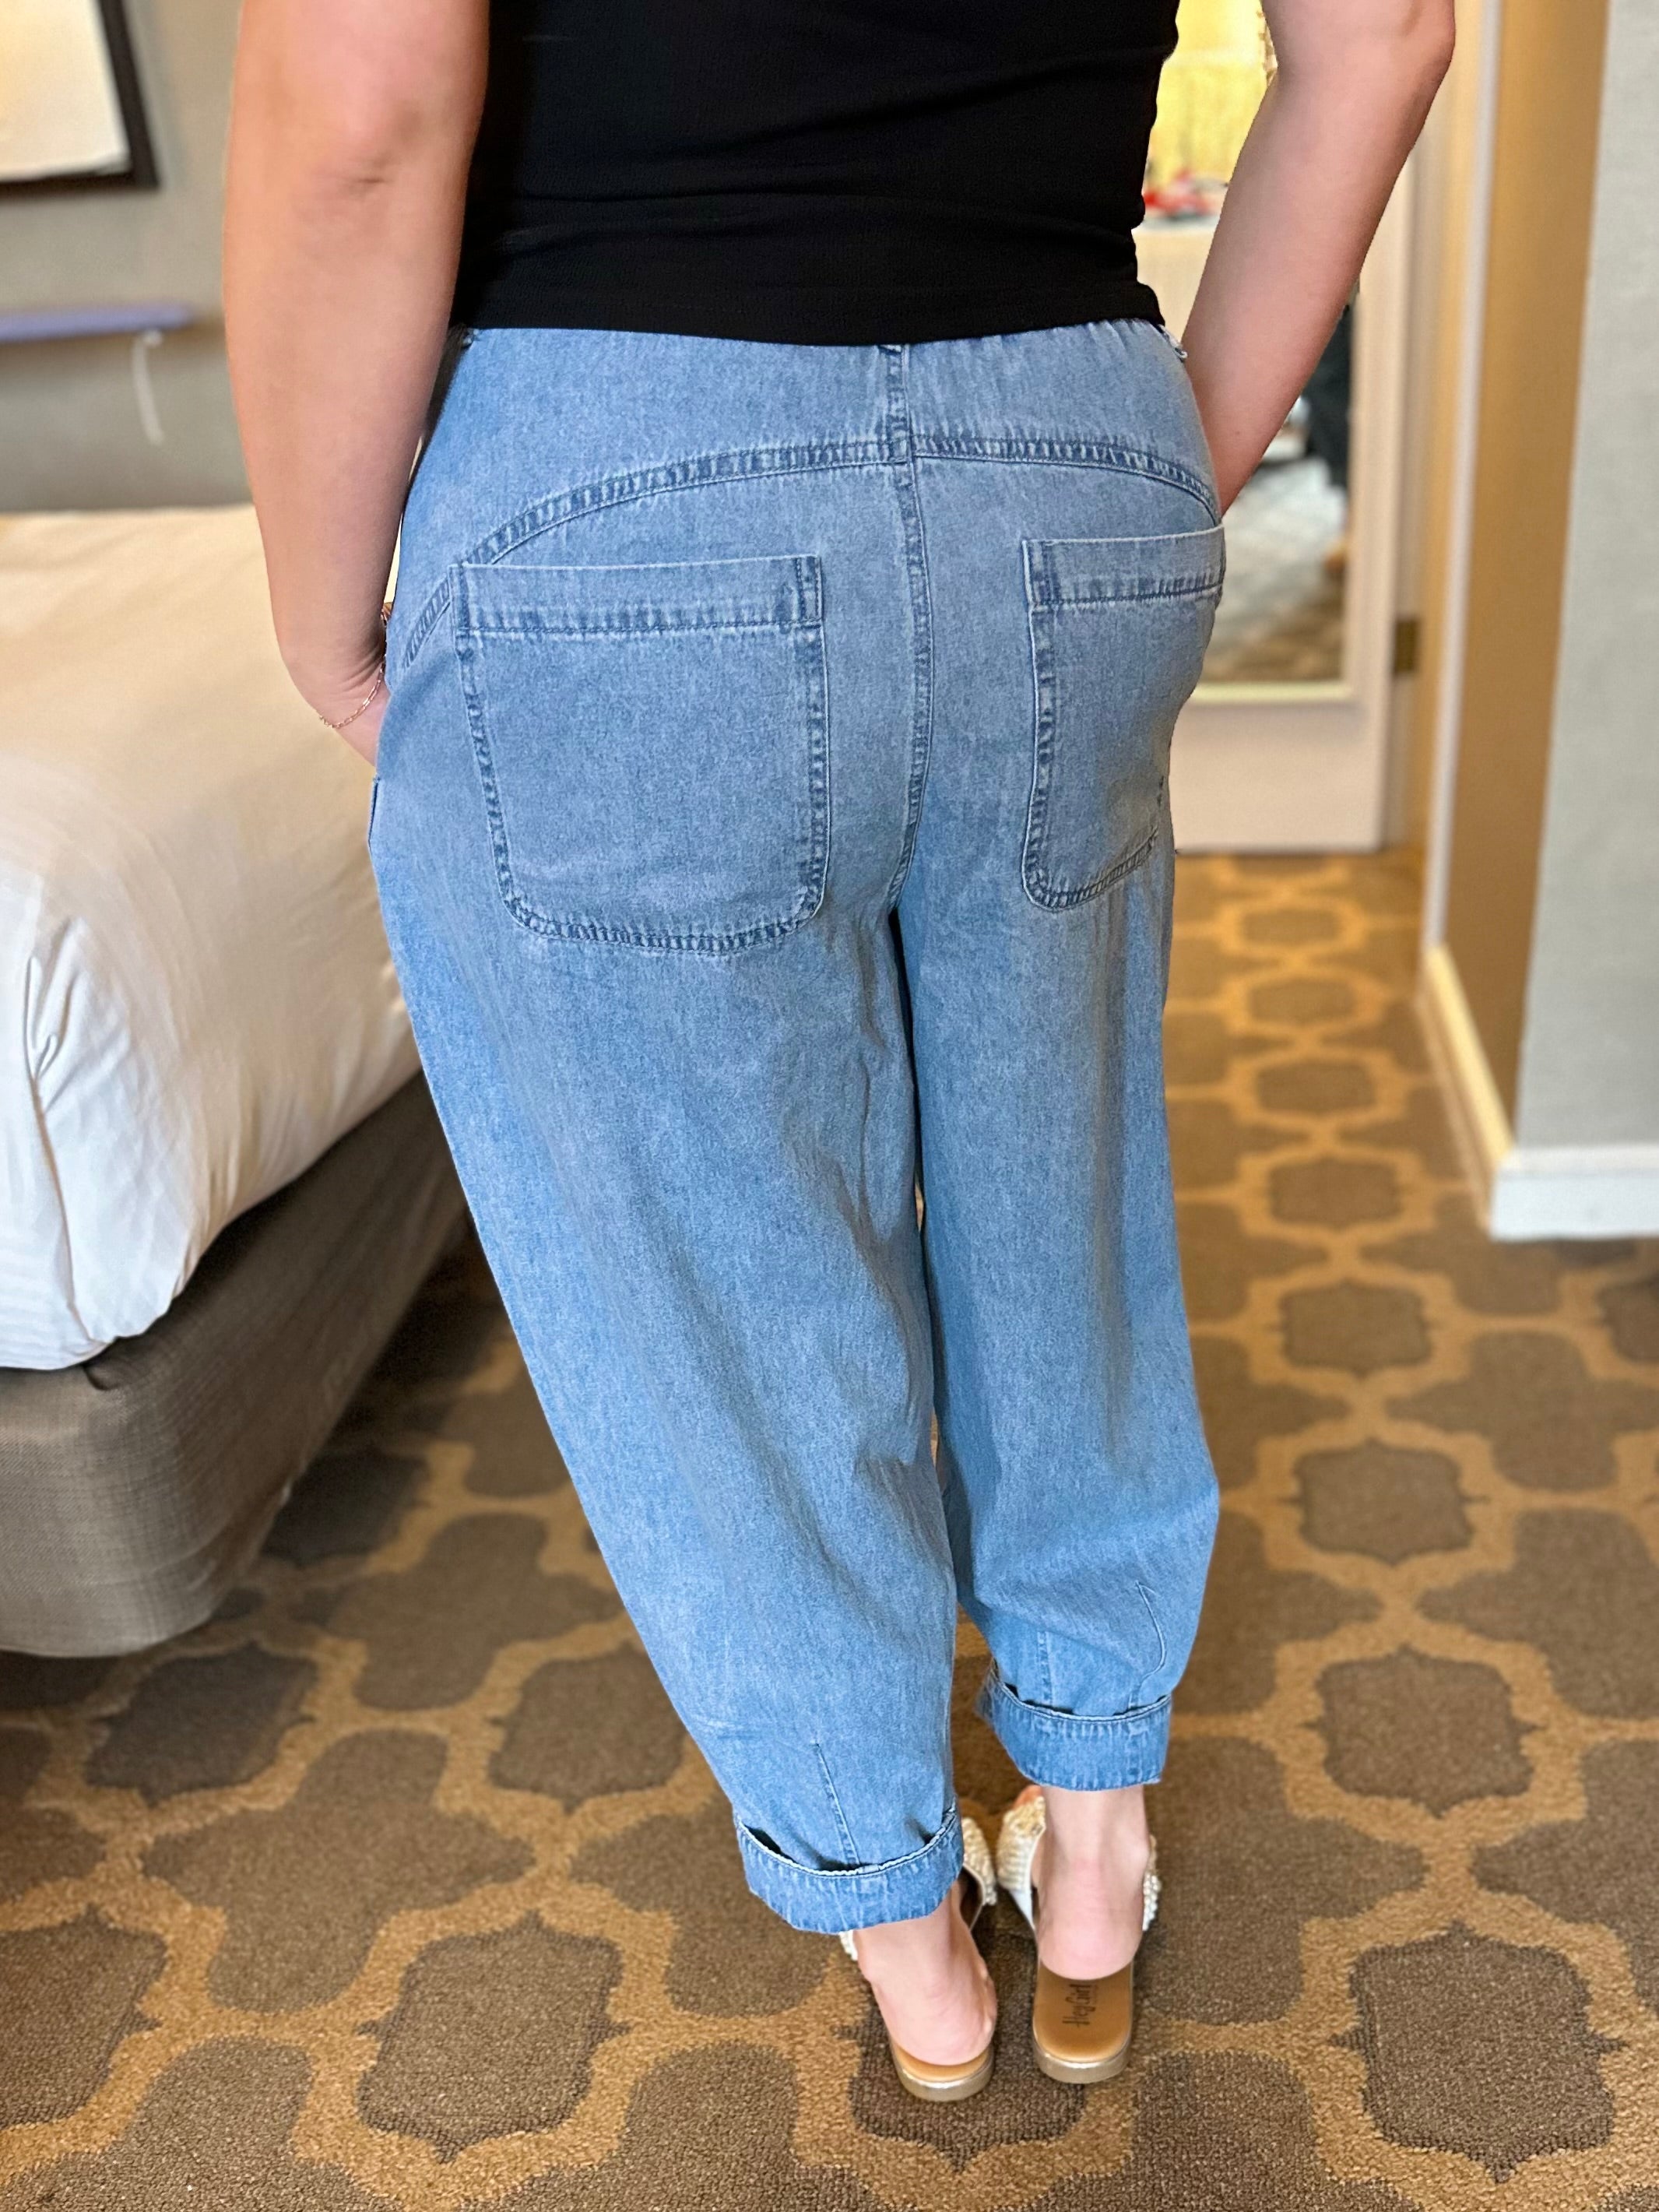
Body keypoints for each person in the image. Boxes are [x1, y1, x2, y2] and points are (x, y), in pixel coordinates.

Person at [224, 0, 1453, 2099]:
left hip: (619, 456)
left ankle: (909, 1941)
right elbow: (1387, 30)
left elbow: (360, 96)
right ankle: (1093, 1847)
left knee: (717, 1282)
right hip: (1062, 410)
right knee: (1057, 1182)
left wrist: (321, 603)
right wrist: (1167, 465)